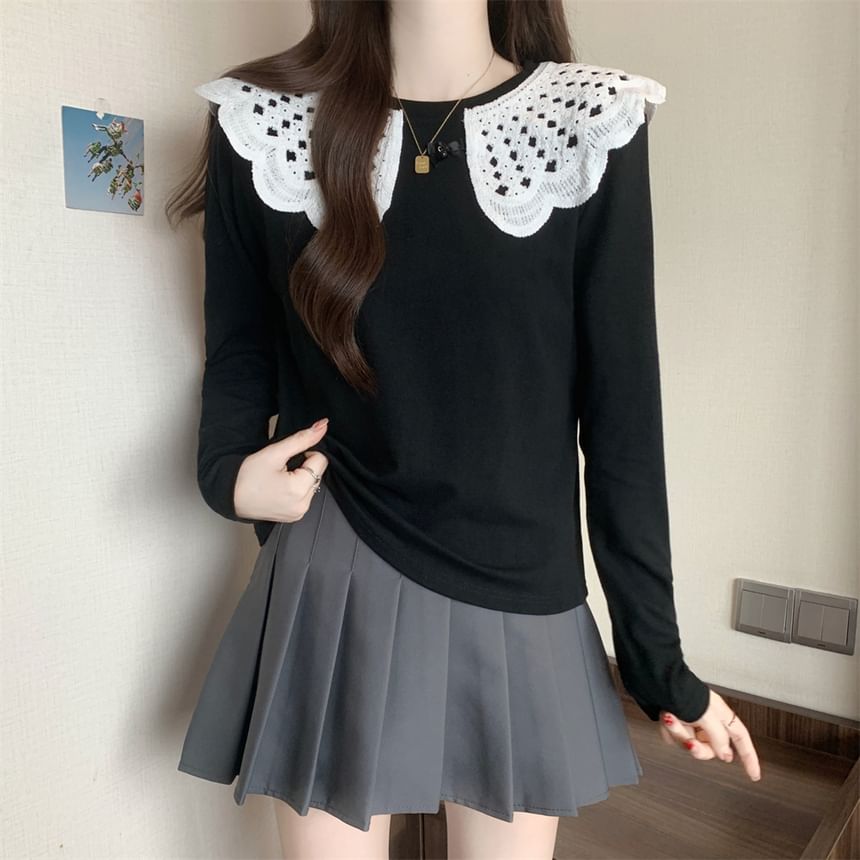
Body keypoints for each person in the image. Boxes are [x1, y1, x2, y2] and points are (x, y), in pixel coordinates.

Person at [165, 1, 762, 857]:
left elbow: (623, 412)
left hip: (522, 582)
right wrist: (227, 470)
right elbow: (238, 346)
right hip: (339, 564)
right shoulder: (262, 122)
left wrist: (658, 664)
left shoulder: (590, 121)